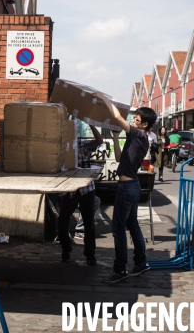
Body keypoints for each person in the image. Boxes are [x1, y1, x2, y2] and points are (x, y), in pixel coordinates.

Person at [94, 94, 157, 284]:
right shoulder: (138, 138)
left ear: (144, 124)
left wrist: (104, 99)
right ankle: (141, 262)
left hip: (127, 187)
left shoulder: (138, 134)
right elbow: (120, 158)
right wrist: (115, 138)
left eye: (136, 119)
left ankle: (120, 270)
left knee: (118, 230)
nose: (133, 121)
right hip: (133, 186)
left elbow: (117, 117)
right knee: (132, 226)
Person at [58, 123, 102, 266]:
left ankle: (90, 255)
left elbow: (99, 141)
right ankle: (66, 249)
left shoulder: (83, 144)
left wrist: (92, 125)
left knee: (89, 223)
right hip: (69, 189)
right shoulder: (61, 147)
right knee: (62, 221)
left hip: (86, 188)